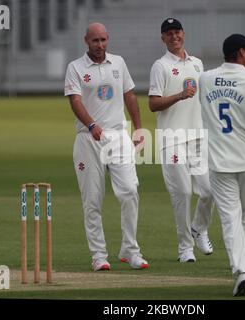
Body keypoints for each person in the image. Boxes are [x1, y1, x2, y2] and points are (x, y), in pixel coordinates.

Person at [64, 22, 149, 272]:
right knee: (92, 199)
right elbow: (75, 101)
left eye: (103, 40)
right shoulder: (76, 68)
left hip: (118, 135)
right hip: (88, 139)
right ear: (86, 41)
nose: (99, 45)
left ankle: (130, 250)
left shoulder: (118, 63)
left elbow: (130, 96)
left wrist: (138, 127)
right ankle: (99, 255)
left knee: (130, 190)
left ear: (108, 39)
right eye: (95, 41)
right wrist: (91, 125)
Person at [199, 34, 245, 296]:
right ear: (240, 52)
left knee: (230, 218)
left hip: (220, 161)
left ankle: (241, 272)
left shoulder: (205, 79)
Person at [148, 18, 214, 263]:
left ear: (183, 34)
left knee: (209, 191)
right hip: (172, 138)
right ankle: (185, 248)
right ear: (163, 38)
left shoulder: (197, 63)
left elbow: (203, 100)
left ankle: (199, 227)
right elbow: (153, 103)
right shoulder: (161, 66)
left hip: (197, 137)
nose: (174, 36)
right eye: (169, 33)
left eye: (177, 32)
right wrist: (179, 95)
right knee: (183, 193)